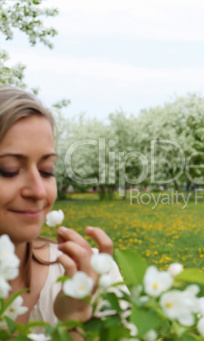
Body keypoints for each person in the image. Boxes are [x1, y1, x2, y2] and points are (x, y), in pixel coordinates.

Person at [0, 86, 122, 337]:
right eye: (9, 169)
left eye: (47, 170)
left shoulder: (89, 275)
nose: (39, 191)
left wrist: (75, 323)